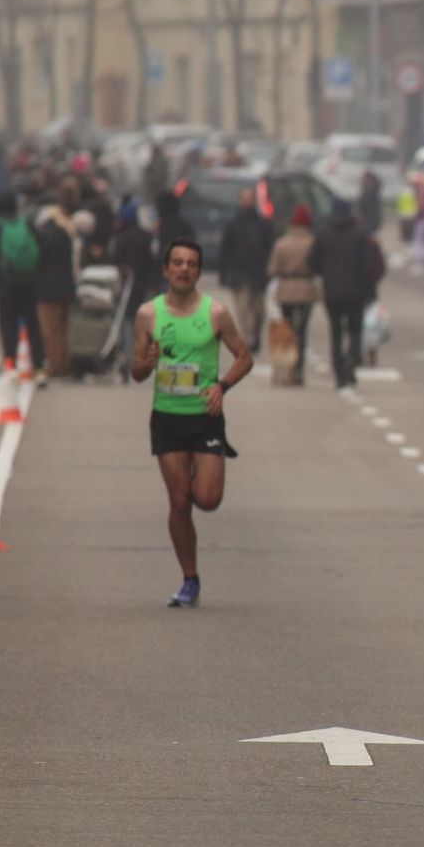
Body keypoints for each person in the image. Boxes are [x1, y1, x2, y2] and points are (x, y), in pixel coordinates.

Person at [130, 237, 254, 607]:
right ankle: (190, 579)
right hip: (167, 417)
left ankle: (203, 468)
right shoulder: (148, 315)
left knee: (208, 499)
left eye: (192, 264)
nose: (184, 269)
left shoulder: (215, 313)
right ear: (166, 270)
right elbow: (136, 372)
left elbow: (244, 357)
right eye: (178, 263)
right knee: (180, 500)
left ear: (199, 272)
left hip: (205, 417)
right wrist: (147, 363)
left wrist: (222, 385)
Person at [0, 190, 47, 376]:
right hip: (30, 283)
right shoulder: (26, 223)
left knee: (8, 325)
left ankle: (11, 364)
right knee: (33, 325)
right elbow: (41, 250)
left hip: (5, 285)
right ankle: (39, 366)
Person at [309, 199, 380, 389]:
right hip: (356, 292)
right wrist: (371, 290)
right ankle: (351, 361)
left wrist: (325, 273)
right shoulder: (359, 236)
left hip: (332, 292)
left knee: (336, 332)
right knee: (355, 331)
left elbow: (311, 261)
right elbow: (369, 266)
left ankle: (340, 373)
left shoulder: (324, 234)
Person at [33, 178, 83, 378]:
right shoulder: (70, 231)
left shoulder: (44, 233)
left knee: (50, 331)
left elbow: (39, 260)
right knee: (64, 330)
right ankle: (65, 364)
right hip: (67, 285)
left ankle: (55, 367)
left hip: (46, 287)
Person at [268, 203, 321, 386]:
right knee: (302, 332)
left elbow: (273, 269)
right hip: (306, 289)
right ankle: (298, 371)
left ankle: (287, 369)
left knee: (287, 331)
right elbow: (319, 267)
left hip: (286, 290)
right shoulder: (313, 243)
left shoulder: (281, 243)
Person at [219, 186, 275, 354]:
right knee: (243, 310)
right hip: (239, 273)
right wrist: (224, 273)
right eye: (245, 198)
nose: (248, 201)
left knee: (259, 311)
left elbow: (270, 248)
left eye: (250, 198)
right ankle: (245, 343)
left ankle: (255, 336)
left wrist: (269, 270)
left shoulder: (263, 224)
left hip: (258, 273)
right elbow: (225, 249)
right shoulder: (233, 223)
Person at [109, 197, 158, 381]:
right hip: (144, 286)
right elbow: (153, 261)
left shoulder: (121, 238)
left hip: (126, 289)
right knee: (146, 325)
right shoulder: (145, 236)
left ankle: (129, 359)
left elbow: (114, 261)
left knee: (127, 324)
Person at [358, 170, 384, 239]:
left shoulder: (370, 191)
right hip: (369, 219)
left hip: (369, 219)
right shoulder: (368, 190)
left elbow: (365, 206)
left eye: (365, 178)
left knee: (368, 236)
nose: (363, 180)